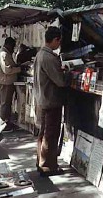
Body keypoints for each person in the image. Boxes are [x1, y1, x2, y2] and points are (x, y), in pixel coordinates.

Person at [33, 26, 69, 176]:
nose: (59, 45)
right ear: (55, 40)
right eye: (58, 42)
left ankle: (42, 163)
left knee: (44, 133)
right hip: (51, 100)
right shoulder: (49, 57)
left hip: (42, 99)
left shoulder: (40, 55)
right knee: (50, 134)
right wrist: (67, 73)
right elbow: (60, 81)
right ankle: (48, 166)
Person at [0, 37, 21, 132]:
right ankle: (3, 124)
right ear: (9, 45)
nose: (13, 49)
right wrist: (19, 69)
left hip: (6, 81)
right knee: (5, 104)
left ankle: (6, 122)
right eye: (13, 47)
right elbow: (7, 70)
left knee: (7, 103)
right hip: (5, 82)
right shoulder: (3, 53)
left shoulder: (5, 53)